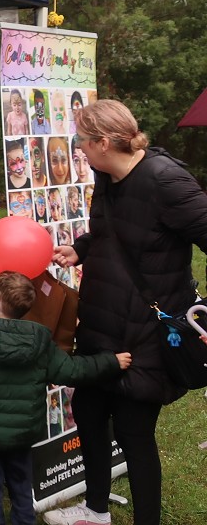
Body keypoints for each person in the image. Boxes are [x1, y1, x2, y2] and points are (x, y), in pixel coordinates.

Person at [45, 99, 207, 525]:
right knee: (89, 415)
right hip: (101, 323)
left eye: (81, 139)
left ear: (103, 142)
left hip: (146, 335)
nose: (77, 147)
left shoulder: (167, 180)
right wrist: (80, 249)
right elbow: (110, 232)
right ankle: (96, 510)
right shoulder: (107, 175)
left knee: (135, 434)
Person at [0, 272, 130, 525]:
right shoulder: (41, 344)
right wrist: (110, 361)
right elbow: (73, 370)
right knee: (21, 481)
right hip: (24, 431)